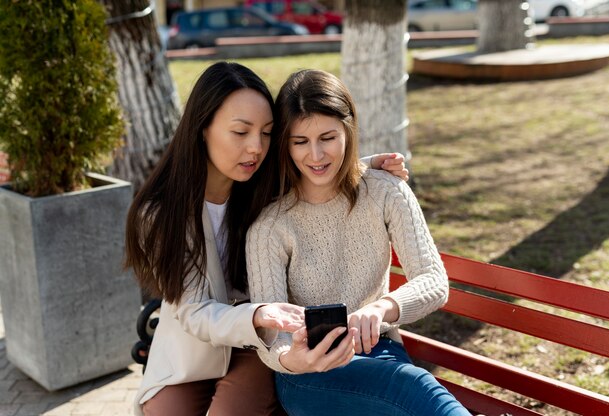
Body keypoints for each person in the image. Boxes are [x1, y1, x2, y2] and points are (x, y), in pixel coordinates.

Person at [125, 61, 409, 416]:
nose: (256, 148)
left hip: (260, 344)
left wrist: (366, 166)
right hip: (192, 349)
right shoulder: (162, 213)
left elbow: (317, 168)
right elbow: (194, 311)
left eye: (266, 133)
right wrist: (258, 312)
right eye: (241, 132)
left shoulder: (264, 183)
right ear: (203, 128)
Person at [246, 69, 472, 416]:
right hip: (309, 372)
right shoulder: (270, 227)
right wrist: (294, 357)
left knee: (407, 386)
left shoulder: (386, 191)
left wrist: (382, 308)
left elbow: (433, 280)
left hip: (380, 353)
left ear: (349, 131)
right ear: (284, 144)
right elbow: (272, 337)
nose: (316, 155)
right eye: (300, 142)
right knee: (414, 386)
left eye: (328, 137)